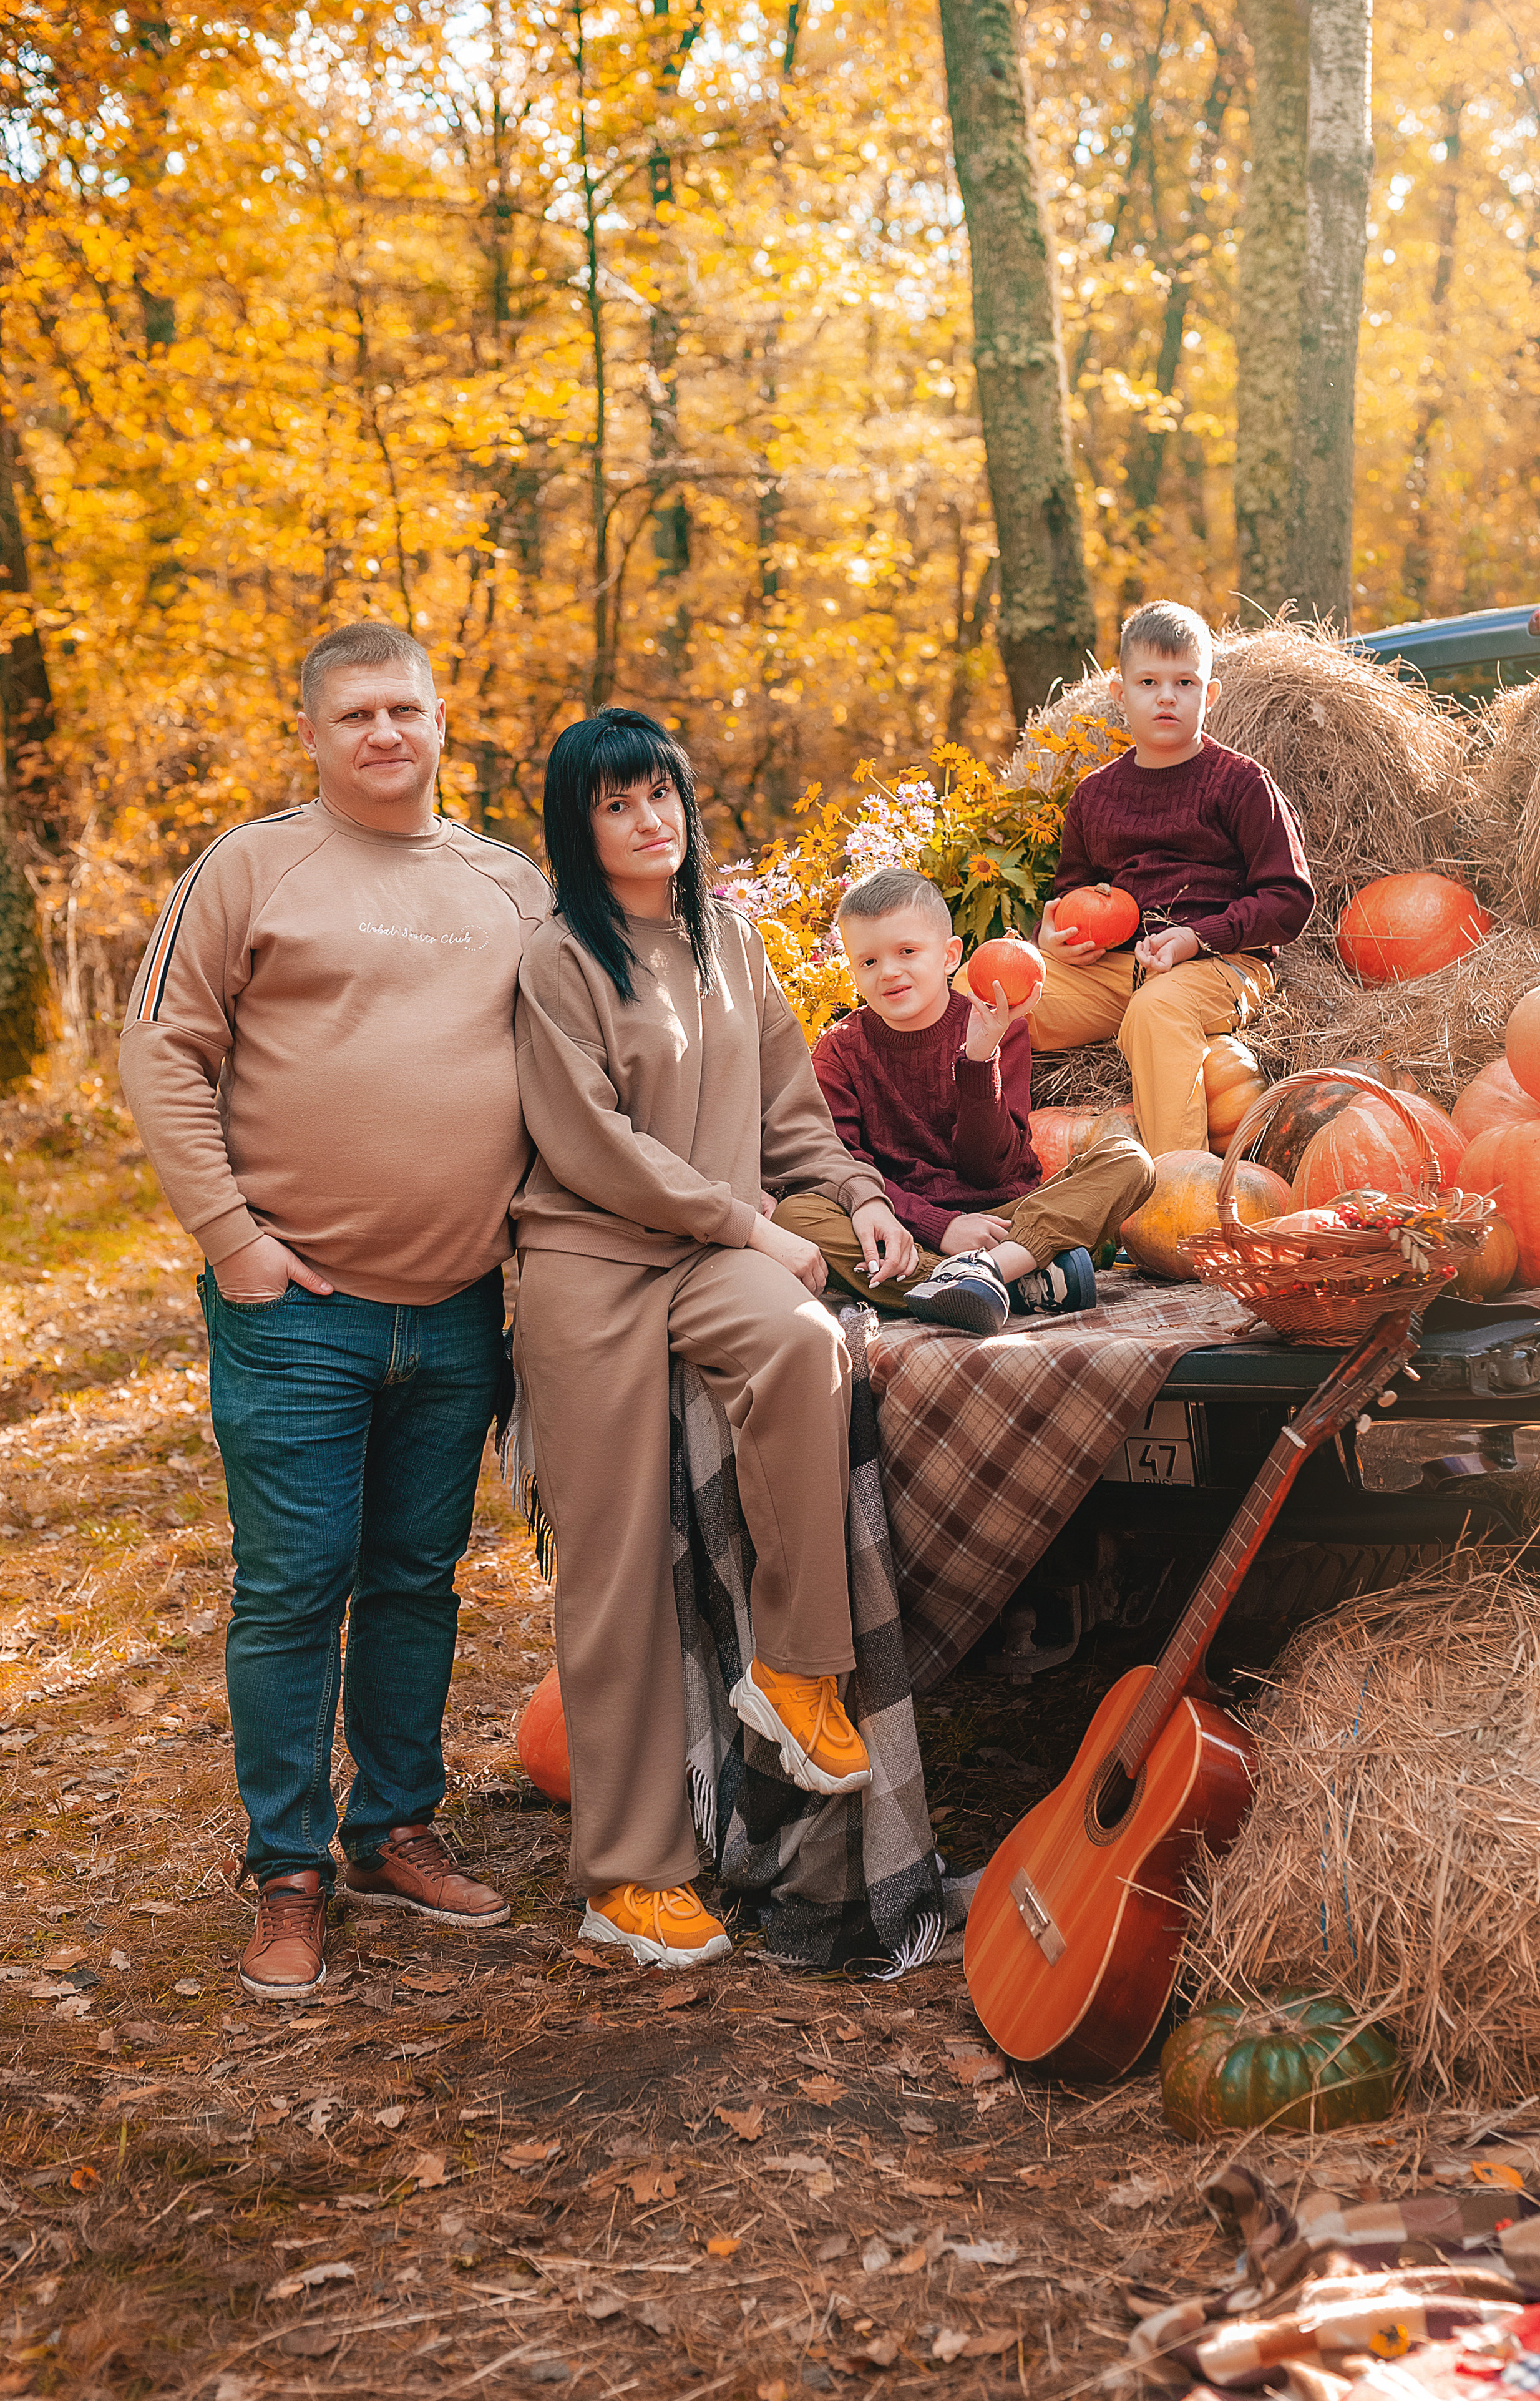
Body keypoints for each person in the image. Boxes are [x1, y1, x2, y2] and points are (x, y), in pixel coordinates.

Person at [119, 621, 551, 2002]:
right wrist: (231, 1239)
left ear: (442, 725)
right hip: (296, 1303)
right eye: (356, 713)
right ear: (311, 732)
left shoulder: (509, 886)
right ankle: (288, 1874)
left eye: (406, 711)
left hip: (462, 1308)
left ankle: (395, 1831)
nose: (384, 734)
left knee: (417, 1581)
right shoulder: (252, 867)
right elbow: (163, 1050)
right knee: (293, 1587)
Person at [512, 706, 919, 1972]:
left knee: (808, 1345)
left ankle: (795, 1674)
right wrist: (745, 1221)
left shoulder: (731, 940)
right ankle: (627, 1876)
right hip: (589, 1267)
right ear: (582, 832)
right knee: (616, 1561)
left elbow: (791, 1112)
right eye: (619, 804)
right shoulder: (557, 961)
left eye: (664, 795)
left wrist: (856, 1200)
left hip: (711, 1260)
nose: (652, 821)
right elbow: (590, 1146)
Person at [774, 868, 1154, 1337]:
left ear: (951, 956)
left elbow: (992, 1170)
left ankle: (978, 1274)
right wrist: (939, 1227)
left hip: (1005, 1219)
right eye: (868, 961)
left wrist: (979, 1059)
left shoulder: (997, 1026)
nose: (889, 971)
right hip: (907, 1227)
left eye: (907, 952)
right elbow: (842, 1163)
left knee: (1129, 1160)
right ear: (852, 969)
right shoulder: (840, 1049)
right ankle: (1015, 1277)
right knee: (799, 1214)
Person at [1010, 600, 1315, 1158]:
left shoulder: (1242, 784)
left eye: (1185, 681)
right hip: (1118, 970)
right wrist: (1052, 937)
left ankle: (1178, 1191)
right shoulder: (1095, 796)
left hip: (1220, 963)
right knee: (993, 987)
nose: (1167, 696)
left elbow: (1288, 898)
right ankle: (986, 1159)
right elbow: (1073, 892)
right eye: (1149, 681)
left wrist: (1199, 937)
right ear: (1119, 694)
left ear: (1210, 695)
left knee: (1159, 1009)